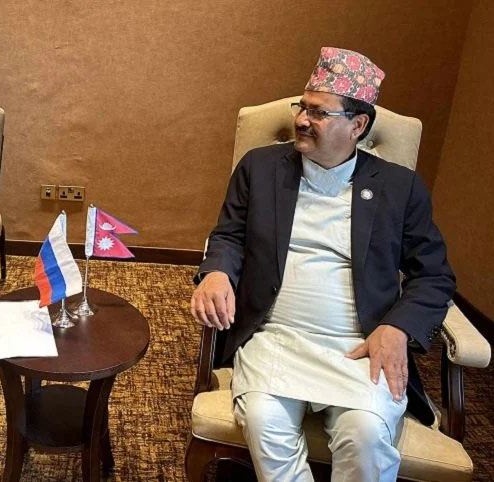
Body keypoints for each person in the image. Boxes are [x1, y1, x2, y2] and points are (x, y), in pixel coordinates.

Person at [189, 47, 455, 481]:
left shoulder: (399, 187)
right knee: (263, 419)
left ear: (358, 126)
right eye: (302, 107)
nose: (301, 120)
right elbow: (229, 235)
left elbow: (434, 275)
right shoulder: (261, 168)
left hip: (360, 346)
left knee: (364, 435)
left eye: (318, 112)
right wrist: (216, 271)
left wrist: (398, 328)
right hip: (275, 337)